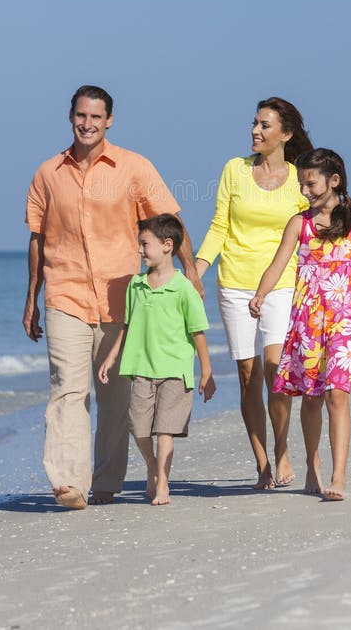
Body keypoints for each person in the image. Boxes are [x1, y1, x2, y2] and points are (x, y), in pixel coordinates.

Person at [22, 85, 202, 510]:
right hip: (65, 293)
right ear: (70, 117)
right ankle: (69, 482)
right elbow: (37, 239)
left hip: (122, 299)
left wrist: (190, 272)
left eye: (96, 118)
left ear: (109, 121)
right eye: (81, 116)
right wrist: (32, 297)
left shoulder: (134, 168)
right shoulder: (48, 173)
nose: (87, 124)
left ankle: (106, 481)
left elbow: (170, 223)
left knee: (116, 398)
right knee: (66, 388)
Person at [249, 148, 351, 501]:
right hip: (307, 318)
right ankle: (312, 467)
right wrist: (260, 295)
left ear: (334, 181)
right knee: (311, 397)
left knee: (337, 394)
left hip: (347, 315)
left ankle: (338, 474)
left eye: (310, 183)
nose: (305, 190)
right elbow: (277, 263)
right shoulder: (300, 224)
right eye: (301, 183)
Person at [195, 97, 313, 489]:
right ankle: (262, 460)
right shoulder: (235, 170)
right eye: (254, 123)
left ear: (286, 133)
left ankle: (282, 450)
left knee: (276, 369)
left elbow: (312, 231)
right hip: (234, 281)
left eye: (264, 125)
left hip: (281, 282)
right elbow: (219, 227)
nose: (255, 131)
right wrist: (197, 270)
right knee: (248, 374)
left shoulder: (301, 178)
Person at [98, 214, 216, 506]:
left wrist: (206, 371)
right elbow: (127, 326)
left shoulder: (184, 288)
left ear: (167, 245)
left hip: (175, 370)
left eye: (144, 244)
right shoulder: (136, 286)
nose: (139, 251)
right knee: (138, 430)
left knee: (165, 429)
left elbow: (197, 331)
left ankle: (162, 481)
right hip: (140, 368)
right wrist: (111, 357)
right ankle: (152, 465)